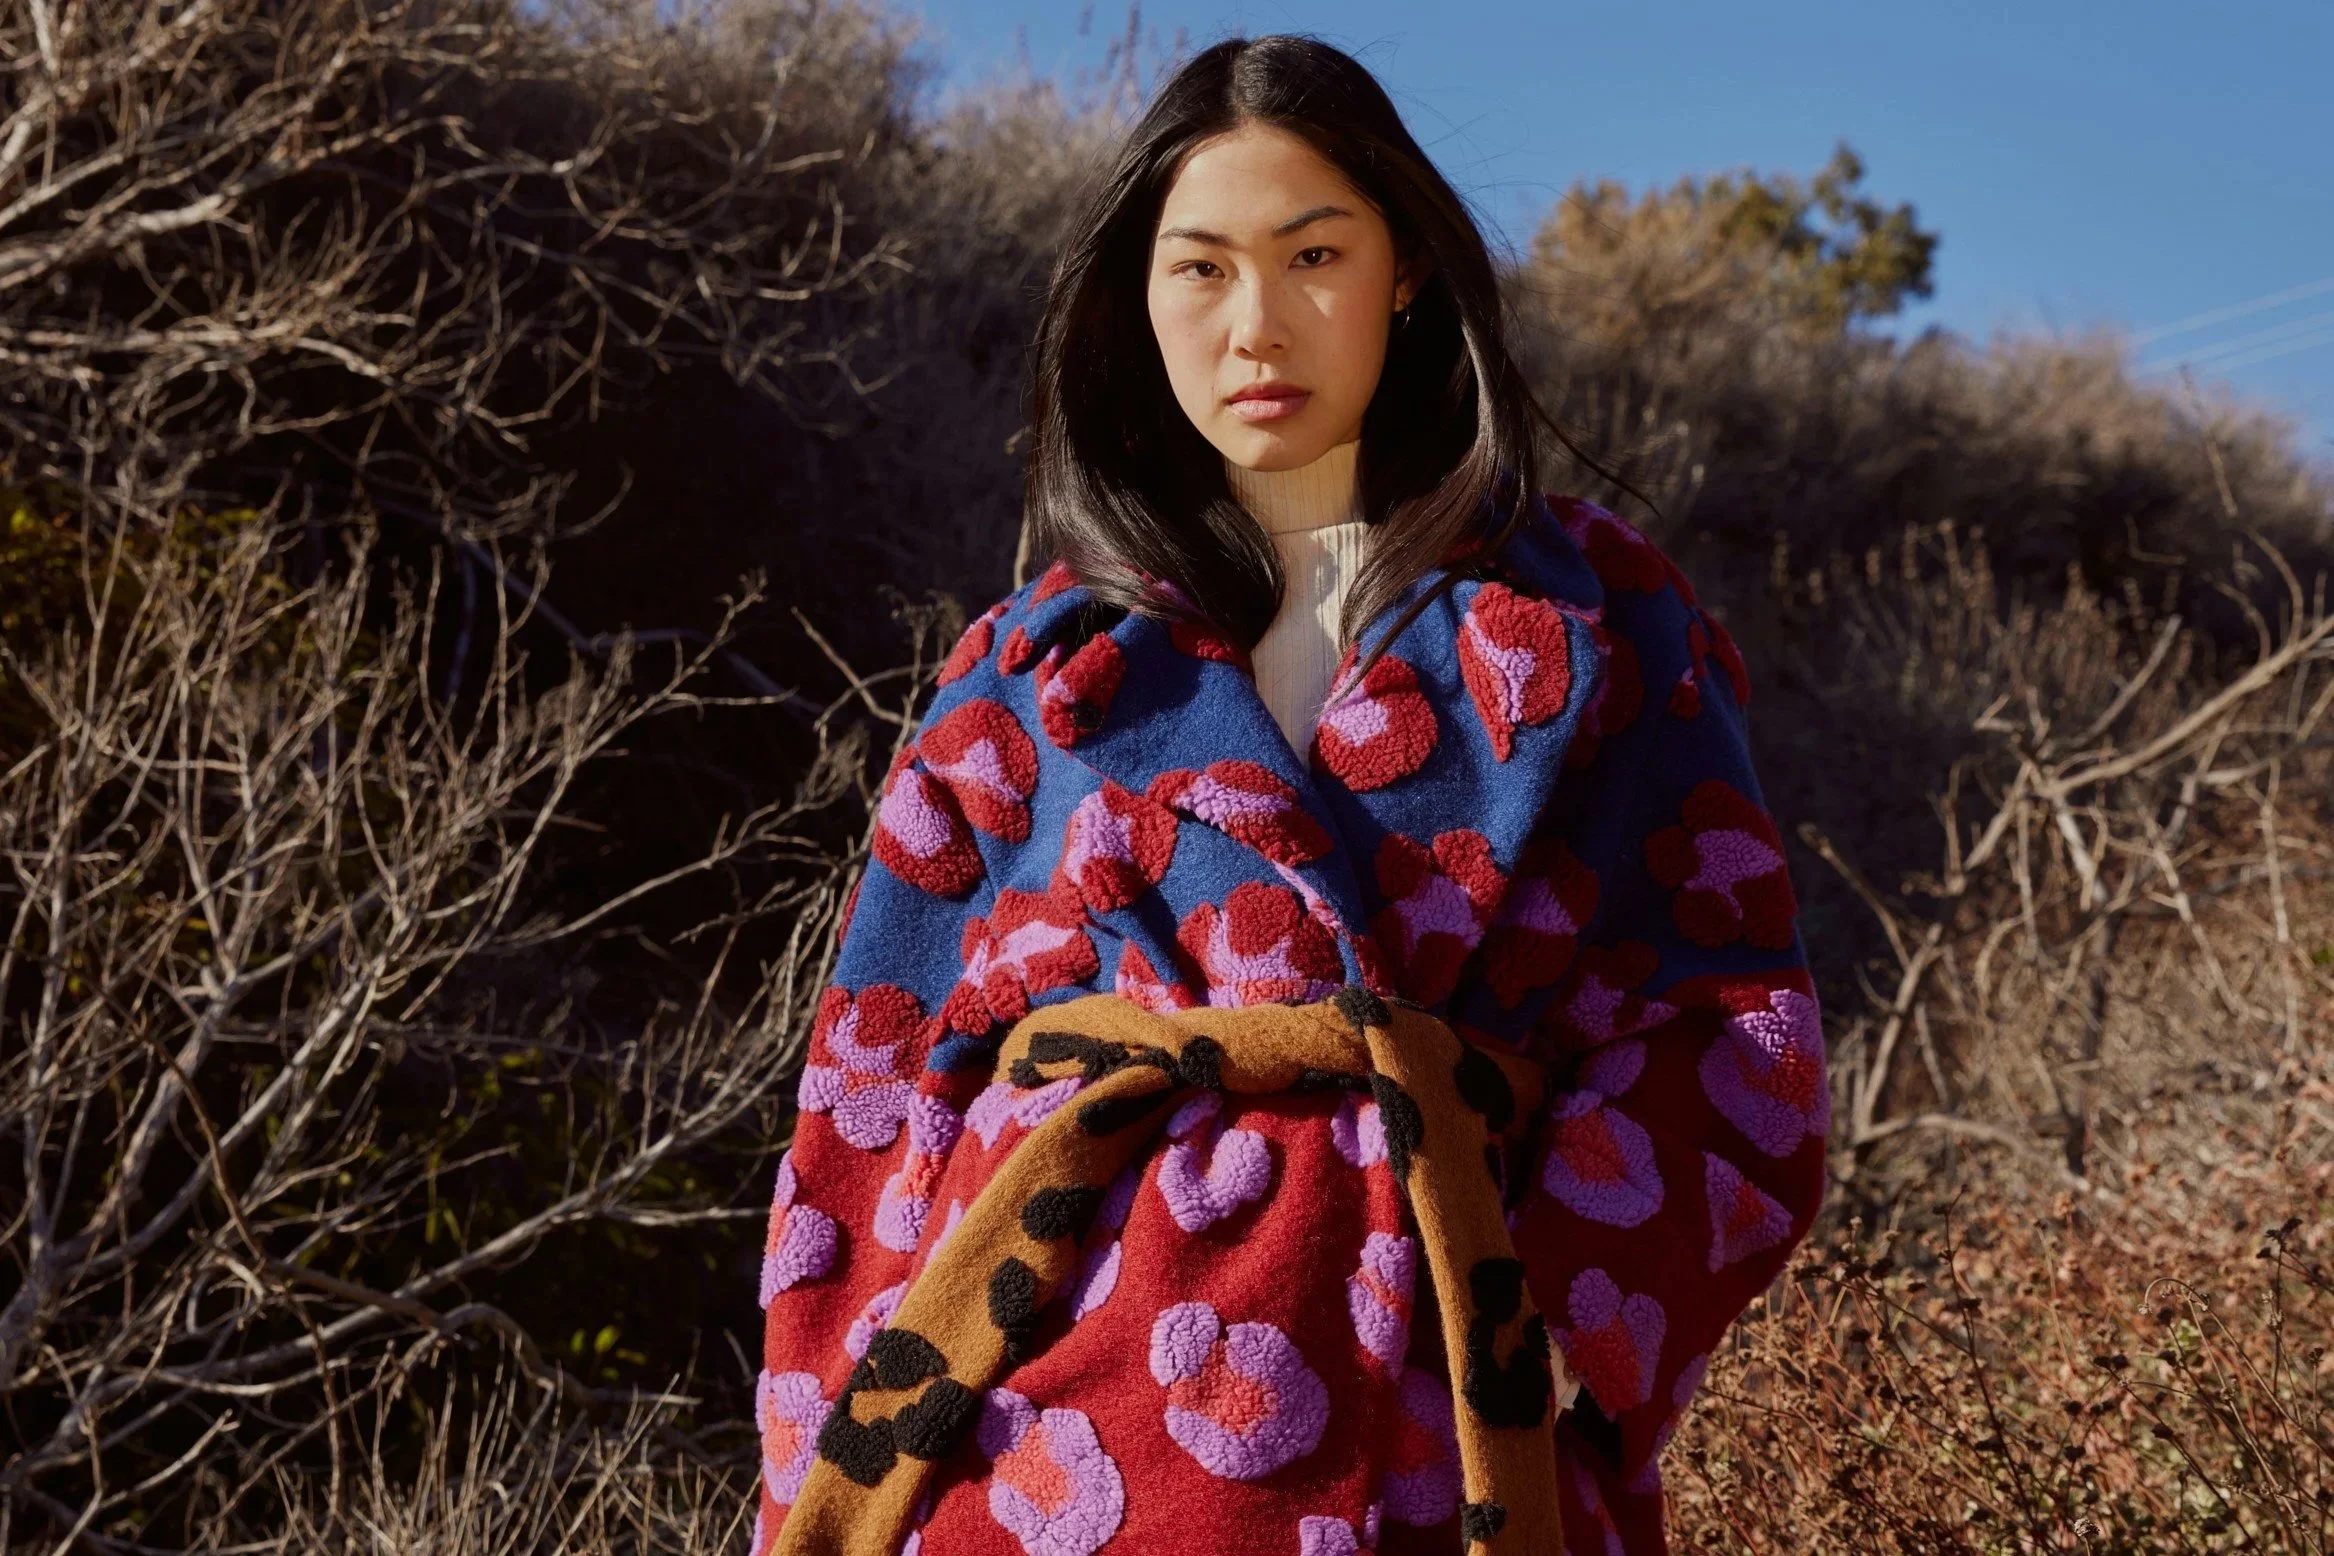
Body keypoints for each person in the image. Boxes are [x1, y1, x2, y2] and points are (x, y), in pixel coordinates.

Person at [752, 34, 1825, 1556]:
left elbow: (1736, 1039)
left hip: (1441, 1430)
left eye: (1312, 254)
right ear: (1139, 298)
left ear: (1402, 271)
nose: (1256, 323)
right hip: (1030, 1447)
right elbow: (870, 1089)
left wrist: (1531, 1327)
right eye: (1198, 270)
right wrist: (825, 1454)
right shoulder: (1026, 661)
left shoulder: (1601, 621)